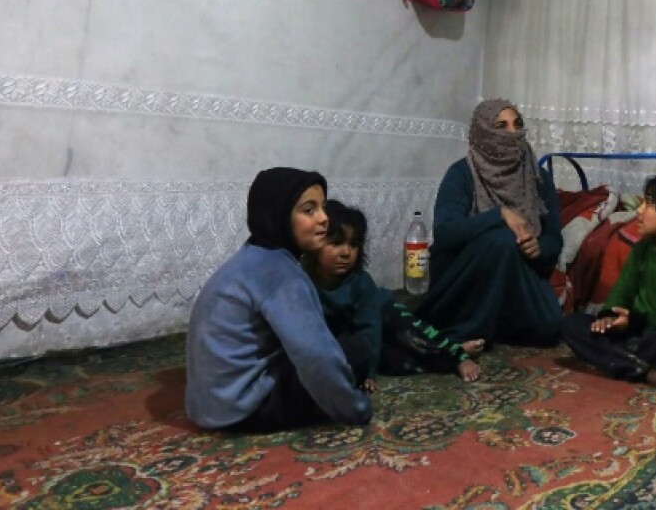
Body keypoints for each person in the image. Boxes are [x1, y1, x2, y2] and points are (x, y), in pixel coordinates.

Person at [185, 167, 372, 432]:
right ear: (279, 216)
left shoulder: (252, 256)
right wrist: (357, 409)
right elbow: (316, 357)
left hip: (208, 407)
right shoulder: (280, 274)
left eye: (322, 207)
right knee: (356, 349)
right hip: (246, 410)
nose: (324, 219)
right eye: (309, 210)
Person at [416, 99, 564, 347]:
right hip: (466, 282)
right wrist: (498, 215)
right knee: (502, 239)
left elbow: (554, 237)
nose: (512, 133)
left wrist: (539, 249)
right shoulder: (462, 173)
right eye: (501, 126)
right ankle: (466, 328)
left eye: (517, 125)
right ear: (483, 132)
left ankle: (495, 323)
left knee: (550, 329)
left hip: (517, 275)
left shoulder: (537, 177)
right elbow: (446, 234)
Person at [561, 173, 656, 392]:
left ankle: (624, 362)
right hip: (640, 335)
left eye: (649, 205)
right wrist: (608, 317)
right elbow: (622, 290)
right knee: (572, 325)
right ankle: (648, 372)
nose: (639, 211)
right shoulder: (644, 248)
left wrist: (635, 321)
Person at [302, 201, 483, 388]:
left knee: (410, 334)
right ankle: (445, 354)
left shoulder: (361, 282)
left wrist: (368, 373)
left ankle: (456, 354)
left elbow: (369, 327)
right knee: (396, 363)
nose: (346, 252)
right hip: (358, 339)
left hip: (382, 313)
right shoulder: (302, 282)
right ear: (314, 244)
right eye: (336, 243)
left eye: (354, 244)